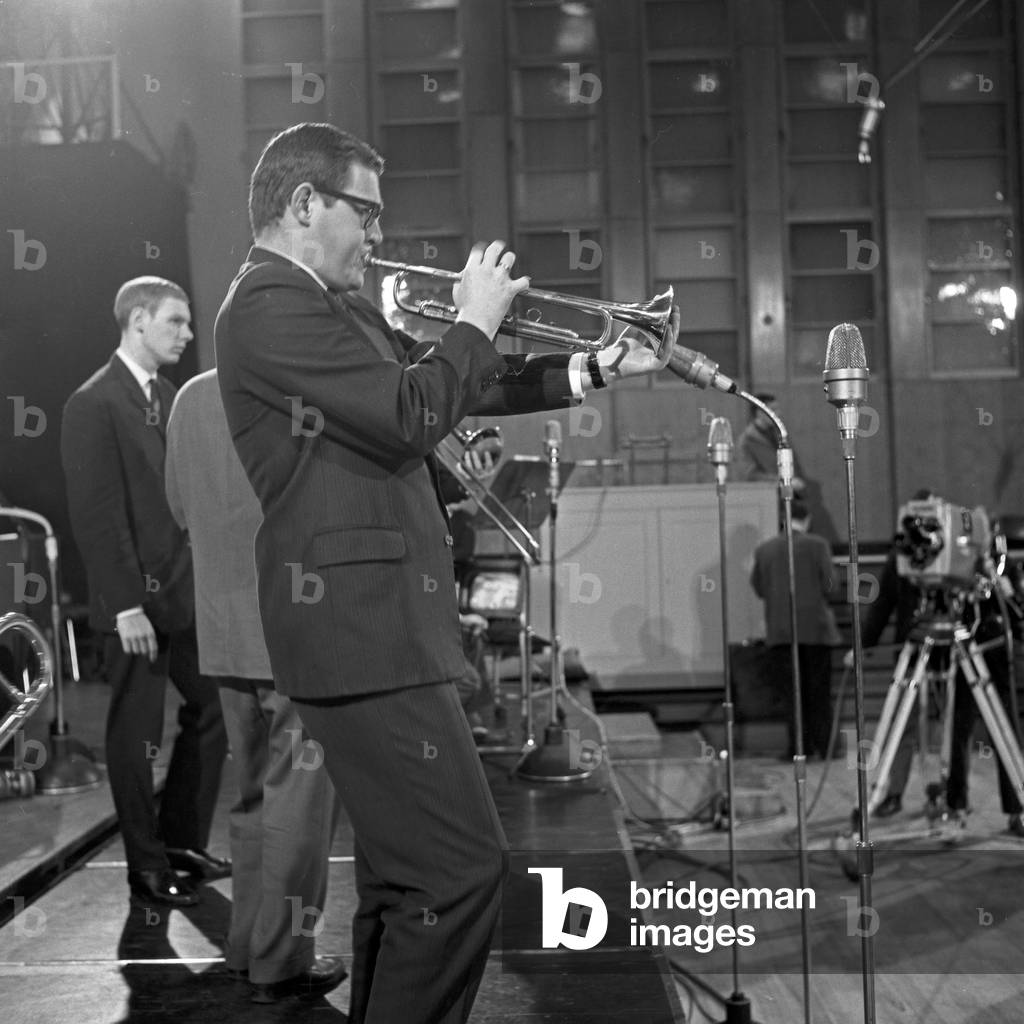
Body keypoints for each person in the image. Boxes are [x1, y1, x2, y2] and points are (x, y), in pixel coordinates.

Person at [214, 122, 676, 1024]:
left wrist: (590, 366)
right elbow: (410, 411)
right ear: (304, 204)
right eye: (366, 212)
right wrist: (473, 319)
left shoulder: (328, 305)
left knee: (405, 883)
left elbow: (452, 385)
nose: (379, 234)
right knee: (461, 872)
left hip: (378, 623)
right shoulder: (268, 302)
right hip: (359, 626)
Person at [164, 369, 346, 1003]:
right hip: (292, 628)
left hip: (222, 629)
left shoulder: (190, 396)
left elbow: (179, 507)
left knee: (250, 801)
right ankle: (282, 960)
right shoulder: (290, 386)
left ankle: (246, 948)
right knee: (299, 806)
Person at [60, 277, 229, 908]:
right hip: (132, 603)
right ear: (137, 321)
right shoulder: (93, 403)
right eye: (175, 322)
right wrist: (127, 603)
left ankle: (181, 843)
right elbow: (96, 515)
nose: (188, 333)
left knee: (212, 707)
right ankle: (146, 867)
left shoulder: (169, 395)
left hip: (181, 593)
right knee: (136, 732)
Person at [845, 490, 1024, 835]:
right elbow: (882, 606)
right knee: (934, 728)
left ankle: (1006, 806)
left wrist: (998, 582)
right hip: (930, 647)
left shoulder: (987, 561)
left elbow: (1010, 611)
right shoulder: (904, 558)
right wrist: (863, 644)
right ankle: (920, 798)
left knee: (992, 731)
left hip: (974, 651)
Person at [751, 499, 841, 759]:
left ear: (783, 520)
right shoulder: (818, 545)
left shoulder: (765, 550)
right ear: (807, 520)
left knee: (791, 695)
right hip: (816, 631)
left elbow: (759, 587)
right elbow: (831, 584)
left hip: (781, 633)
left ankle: (798, 748)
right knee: (818, 693)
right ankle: (824, 747)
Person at [736, 392, 839, 544]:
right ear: (759, 412)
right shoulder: (747, 441)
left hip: (791, 496)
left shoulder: (779, 433)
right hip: (771, 500)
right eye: (773, 410)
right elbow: (750, 474)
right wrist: (782, 481)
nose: (778, 414)